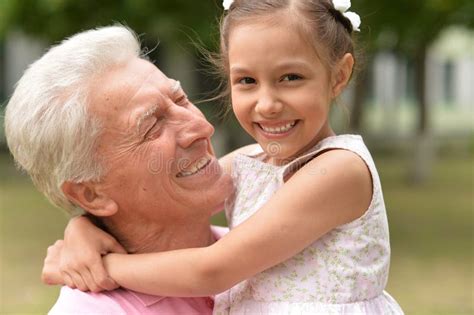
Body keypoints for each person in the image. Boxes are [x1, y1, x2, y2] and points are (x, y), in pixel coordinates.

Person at [44, 0, 405, 314]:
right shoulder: (254, 161)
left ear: (338, 75)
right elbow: (188, 178)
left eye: (291, 77)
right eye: (247, 81)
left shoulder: (339, 170)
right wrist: (81, 227)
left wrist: (108, 266)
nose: (267, 103)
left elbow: (212, 271)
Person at [4, 25, 237, 314]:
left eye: (180, 99)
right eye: (152, 125)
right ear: (91, 194)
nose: (202, 128)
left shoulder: (265, 246)